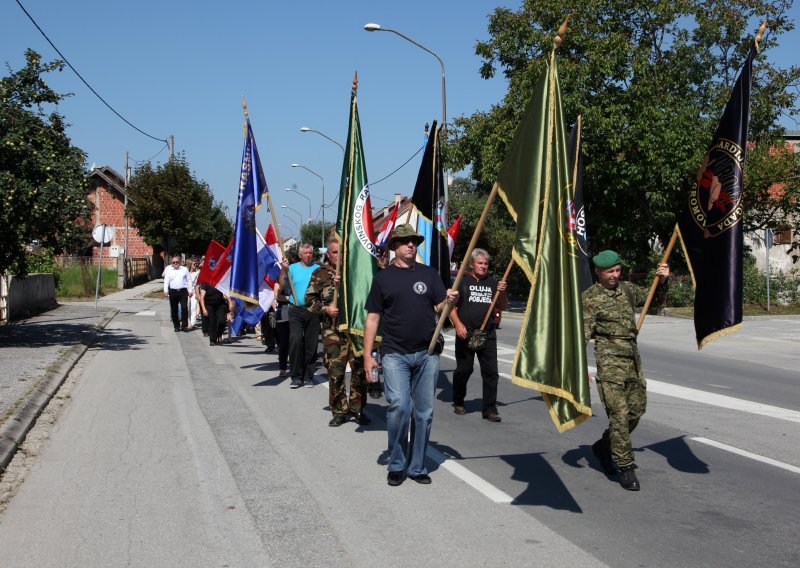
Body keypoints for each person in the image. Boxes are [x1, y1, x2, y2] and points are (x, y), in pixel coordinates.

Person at [363, 224, 458, 486]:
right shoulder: (383, 278)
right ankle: (396, 463)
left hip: (427, 353)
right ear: (394, 246)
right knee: (399, 407)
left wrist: (449, 301)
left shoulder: (429, 274)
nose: (411, 245)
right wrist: (367, 355)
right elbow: (372, 317)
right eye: (405, 241)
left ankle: (417, 466)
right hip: (394, 354)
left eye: (414, 241)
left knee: (424, 413)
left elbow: (440, 306)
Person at [583, 249, 669, 491]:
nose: (615, 274)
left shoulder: (627, 289)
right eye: (610, 271)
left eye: (618, 270)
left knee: (637, 410)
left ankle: (604, 446)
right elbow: (581, 336)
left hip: (632, 360)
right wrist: (580, 368)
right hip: (609, 364)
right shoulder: (589, 298)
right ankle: (625, 466)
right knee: (619, 416)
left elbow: (651, 300)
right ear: (598, 271)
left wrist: (662, 280)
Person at [305, 238, 371, 427]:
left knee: (359, 370)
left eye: (341, 253)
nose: (338, 256)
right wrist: (325, 309)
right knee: (336, 372)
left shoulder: (354, 271)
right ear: (328, 254)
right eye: (334, 253)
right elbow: (308, 300)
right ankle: (339, 410)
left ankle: (358, 408)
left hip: (355, 330)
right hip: (333, 331)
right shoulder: (320, 273)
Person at [448, 248, 507, 422]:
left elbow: (502, 305)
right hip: (465, 333)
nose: (483, 266)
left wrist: (502, 291)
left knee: (491, 373)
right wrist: (458, 324)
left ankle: (489, 409)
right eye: (480, 263)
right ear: (471, 264)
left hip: (487, 334)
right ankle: (458, 400)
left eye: (486, 264)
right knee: (464, 370)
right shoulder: (462, 281)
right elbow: (450, 307)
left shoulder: (493, 283)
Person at [280, 243, 320, 388]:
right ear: (300, 255)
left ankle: (309, 376)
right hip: (295, 309)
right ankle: (296, 376)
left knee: (311, 343)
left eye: (311, 252)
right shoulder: (292, 268)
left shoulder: (317, 269)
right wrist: (283, 271)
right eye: (306, 253)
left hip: (312, 310)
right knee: (296, 341)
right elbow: (282, 284)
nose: (309, 255)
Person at [163, 256, 191, 332]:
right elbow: (166, 281)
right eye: (173, 262)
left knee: (184, 308)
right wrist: (165, 290)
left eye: (177, 262)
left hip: (183, 291)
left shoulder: (184, 269)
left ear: (180, 262)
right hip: (173, 292)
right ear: (172, 263)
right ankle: (176, 326)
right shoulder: (169, 270)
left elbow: (189, 280)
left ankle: (184, 325)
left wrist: (190, 290)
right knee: (174, 310)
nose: (175, 263)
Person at [187, 259, 201, 328]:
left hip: (194, 291)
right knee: (188, 307)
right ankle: (188, 321)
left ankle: (192, 323)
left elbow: (198, 283)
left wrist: (197, 293)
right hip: (187, 291)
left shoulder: (198, 273)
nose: (195, 265)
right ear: (190, 265)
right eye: (194, 264)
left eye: (196, 264)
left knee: (193, 307)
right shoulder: (186, 273)